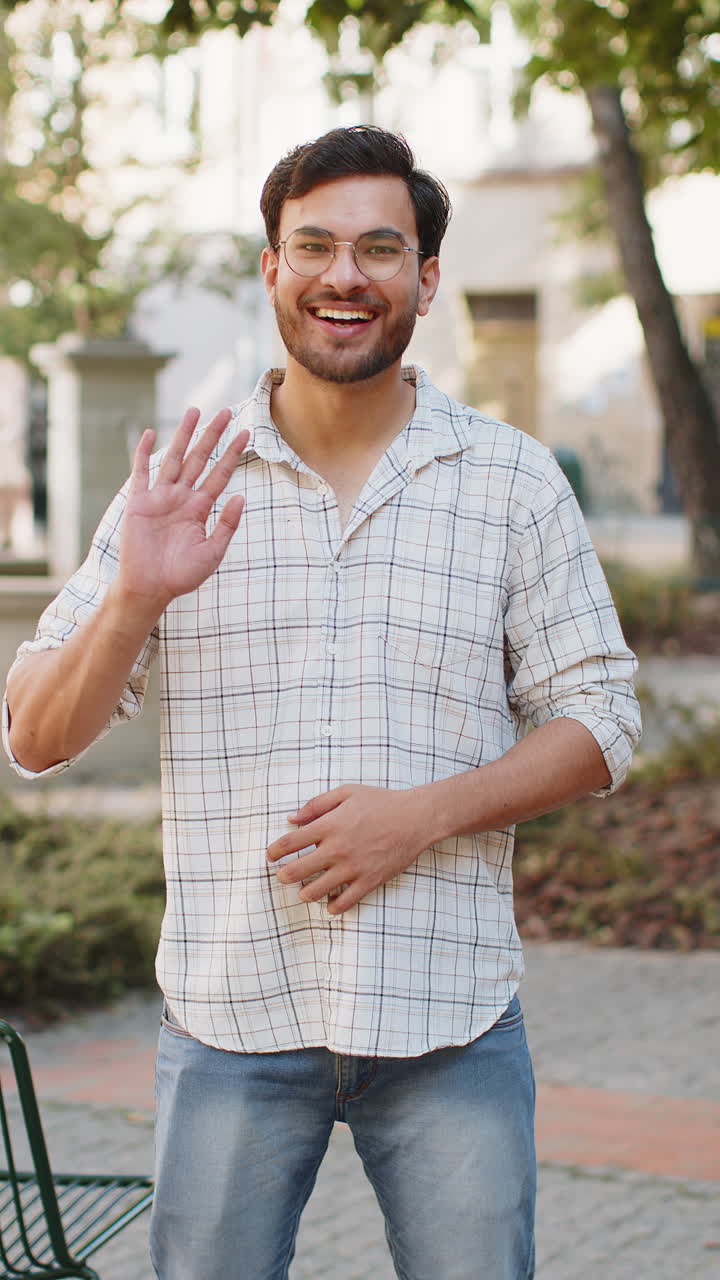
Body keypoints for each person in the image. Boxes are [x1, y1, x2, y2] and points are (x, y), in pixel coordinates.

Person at [3, 125, 641, 1280]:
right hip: (230, 1021)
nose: (344, 274)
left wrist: (425, 813)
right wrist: (132, 597)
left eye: (379, 248)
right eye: (315, 245)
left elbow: (603, 721)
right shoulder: (179, 485)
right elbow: (35, 739)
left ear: (425, 278)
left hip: (449, 1018)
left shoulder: (510, 480)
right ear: (271, 267)